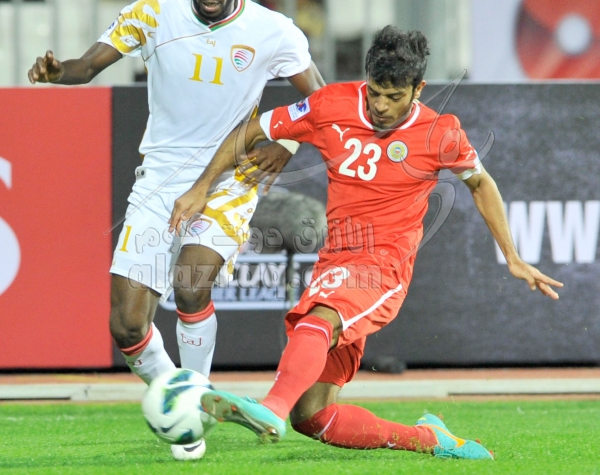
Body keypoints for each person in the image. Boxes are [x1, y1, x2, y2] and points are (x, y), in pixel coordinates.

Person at [169, 26, 563, 460]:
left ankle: (270, 409)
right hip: (335, 260)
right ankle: (431, 440)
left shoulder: (440, 133)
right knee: (312, 416)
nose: (381, 105)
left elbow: (481, 183)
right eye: (375, 92)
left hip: (383, 267)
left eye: (394, 97)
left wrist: (513, 257)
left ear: (418, 89)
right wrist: (202, 187)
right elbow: (252, 129)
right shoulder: (330, 104)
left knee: (317, 320)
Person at [27, 0, 325, 461]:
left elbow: (319, 102)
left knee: (190, 284)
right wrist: (57, 71)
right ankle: (188, 402)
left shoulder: (274, 30)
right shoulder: (153, 14)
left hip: (229, 178)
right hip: (160, 178)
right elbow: (87, 67)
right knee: (126, 325)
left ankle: (195, 401)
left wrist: (284, 145)